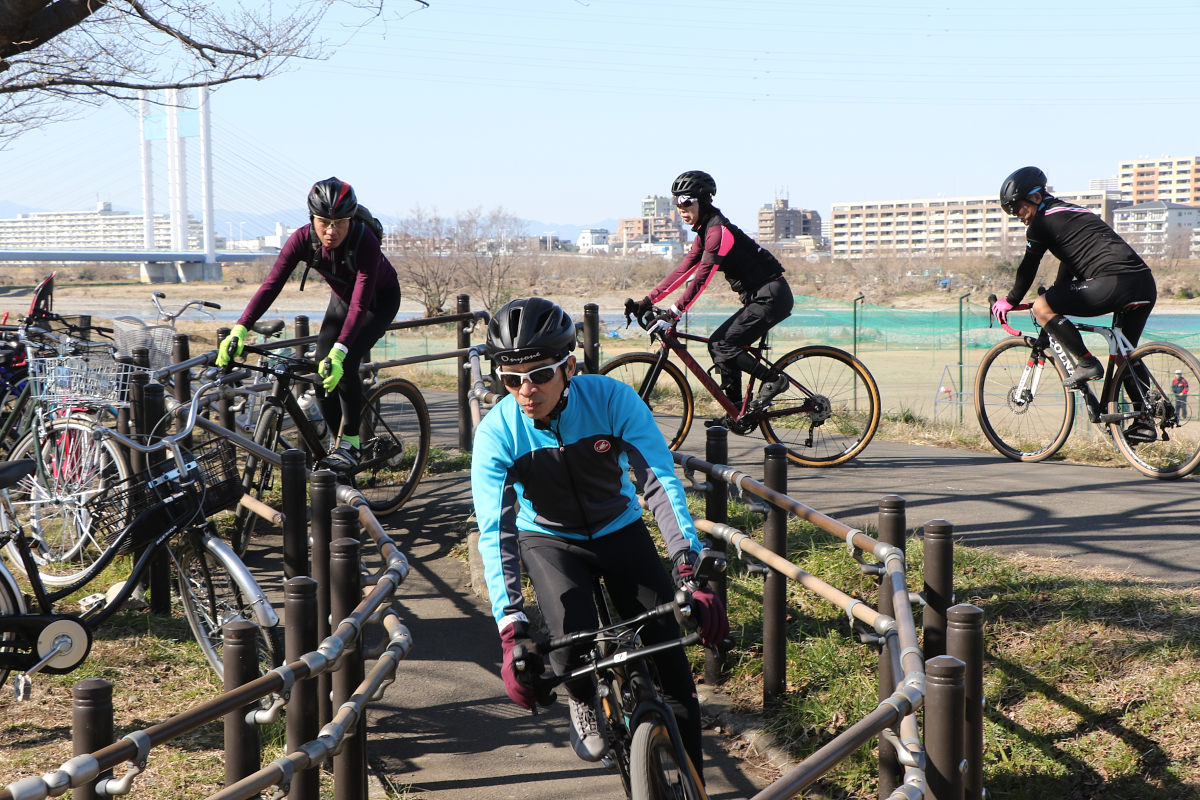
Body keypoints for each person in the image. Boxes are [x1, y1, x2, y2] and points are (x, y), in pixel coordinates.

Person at [471, 297, 728, 777]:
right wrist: (511, 631)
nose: (526, 391)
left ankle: (694, 781)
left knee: (670, 655)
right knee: (570, 643)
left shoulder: (612, 400)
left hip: (618, 527)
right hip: (548, 539)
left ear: (569, 366)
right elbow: (496, 532)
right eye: (511, 379)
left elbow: (659, 482)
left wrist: (688, 570)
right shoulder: (498, 433)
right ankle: (584, 697)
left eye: (540, 374)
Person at [216, 177, 402, 469]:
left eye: (340, 222)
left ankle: (351, 442)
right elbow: (271, 285)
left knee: (346, 362)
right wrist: (241, 326)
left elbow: (361, 302)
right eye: (324, 222)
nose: (331, 231)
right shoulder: (302, 240)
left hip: (378, 302)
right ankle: (335, 442)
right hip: (343, 299)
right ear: (311, 218)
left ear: (351, 220)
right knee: (320, 368)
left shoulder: (363, 240)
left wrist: (341, 350)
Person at [991, 166, 1159, 442]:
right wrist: (1059, 292)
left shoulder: (1041, 223)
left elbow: (1028, 266)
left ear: (1034, 198)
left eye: (1018, 209)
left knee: (1042, 308)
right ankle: (1145, 419)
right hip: (1143, 283)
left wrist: (1010, 301)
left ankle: (1086, 362)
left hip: (1111, 282)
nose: (1017, 217)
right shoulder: (1073, 213)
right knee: (1126, 355)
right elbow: (1070, 259)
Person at [632, 170, 794, 416]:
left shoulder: (719, 232)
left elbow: (701, 279)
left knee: (722, 343)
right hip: (759, 296)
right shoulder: (704, 231)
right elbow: (683, 271)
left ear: (702, 201)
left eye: (686, 201)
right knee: (720, 346)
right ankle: (737, 411)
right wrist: (647, 301)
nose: (680, 208)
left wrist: (673, 313)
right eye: (676, 202)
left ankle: (774, 380)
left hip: (771, 296)